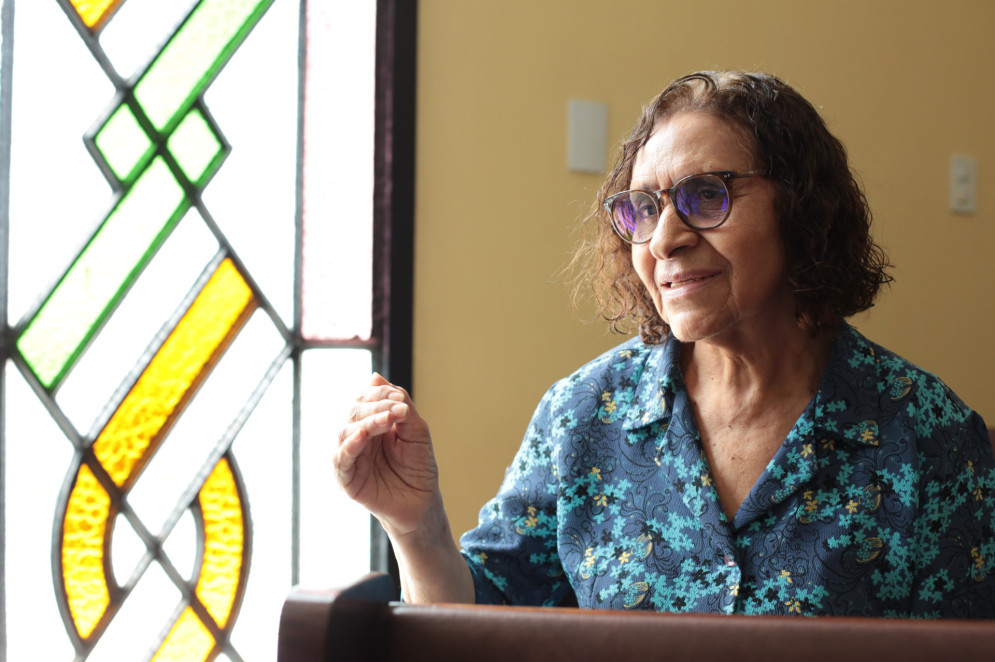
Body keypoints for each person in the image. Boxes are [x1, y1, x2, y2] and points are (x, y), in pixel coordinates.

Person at [335, 71, 995, 617]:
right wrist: (413, 525)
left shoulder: (928, 437)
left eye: (706, 196)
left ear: (802, 208)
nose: (665, 238)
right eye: (643, 209)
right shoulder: (581, 417)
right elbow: (478, 625)